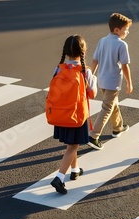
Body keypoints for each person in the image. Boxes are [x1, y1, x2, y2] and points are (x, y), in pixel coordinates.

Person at [50, 35, 97, 194]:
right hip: (76, 115)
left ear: (65, 51)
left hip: (61, 113)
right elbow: (93, 94)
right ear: (84, 51)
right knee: (73, 146)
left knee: (72, 143)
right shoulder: (85, 71)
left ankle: (75, 169)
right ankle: (59, 177)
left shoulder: (59, 68)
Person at [87, 12, 133, 150]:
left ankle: (117, 128)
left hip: (101, 80)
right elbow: (125, 66)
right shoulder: (121, 44)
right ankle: (93, 135)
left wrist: (90, 78)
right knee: (107, 107)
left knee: (113, 104)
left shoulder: (102, 41)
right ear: (117, 30)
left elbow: (95, 60)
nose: (127, 32)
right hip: (113, 82)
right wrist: (129, 82)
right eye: (126, 29)